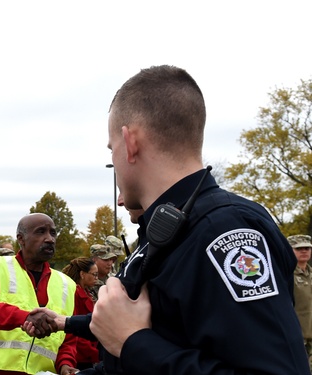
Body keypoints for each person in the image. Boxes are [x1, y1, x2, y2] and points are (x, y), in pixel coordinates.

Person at [90, 64, 309, 373]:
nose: (114, 157)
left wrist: (133, 342)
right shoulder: (166, 233)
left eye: (112, 149)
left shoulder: (225, 230)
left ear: (130, 142)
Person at [0, 213, 78, 375]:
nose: (50, 239)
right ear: (21, 239)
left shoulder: (67, 284)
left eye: (53, 233)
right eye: (41, 232)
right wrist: (23, 317)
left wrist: (65, 364)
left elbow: (69, 339)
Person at [61, 258, 99, 371]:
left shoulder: (86, 292)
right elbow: (74, 327)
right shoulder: (75, 293)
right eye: (94, 274)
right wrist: (95, 353)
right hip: (80, 355)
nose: (96, 278)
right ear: (82, 274)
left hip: (86, 351)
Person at [288, 234, 312, 370]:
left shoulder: (311, 273)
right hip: (297, 335)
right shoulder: (286, 275)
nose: (304, 251)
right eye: (299, 249)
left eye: (307, 248)